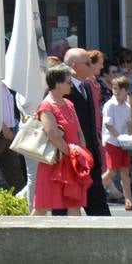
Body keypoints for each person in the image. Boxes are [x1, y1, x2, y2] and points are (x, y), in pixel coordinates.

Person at [33, 64, 93, 215]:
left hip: (72, 161)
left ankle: (76, 239)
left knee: (74, 204)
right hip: (54, 162)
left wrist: (81, 154)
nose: (71, 85)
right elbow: (52, 135)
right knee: (42, 206)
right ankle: (24, 237)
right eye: (68, 82)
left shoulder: (69, 103)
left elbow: (79, 132)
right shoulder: (46, 106)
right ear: (57, 84)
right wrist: (72, 153)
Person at [63, 47, 110, 215]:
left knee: (100, 211)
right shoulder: (61, 91)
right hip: (71, 159)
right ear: (75, 66)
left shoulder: (87, 87)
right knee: (65, 211)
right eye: (88, 63)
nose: (93, 66)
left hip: (90, 157)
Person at [102, 75, 132, 209]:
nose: (116, 91)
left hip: (123, 143)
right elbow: (108, 125)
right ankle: (93, 192)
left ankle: (128, 200)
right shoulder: (110, 105)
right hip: (112, 142)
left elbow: (128, 124)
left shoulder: (127, 106)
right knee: (112, 171)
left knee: (125, 171)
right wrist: (120, 136)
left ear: (126, 90)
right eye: (115, 88)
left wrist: (129, 134)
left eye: (120, 89)